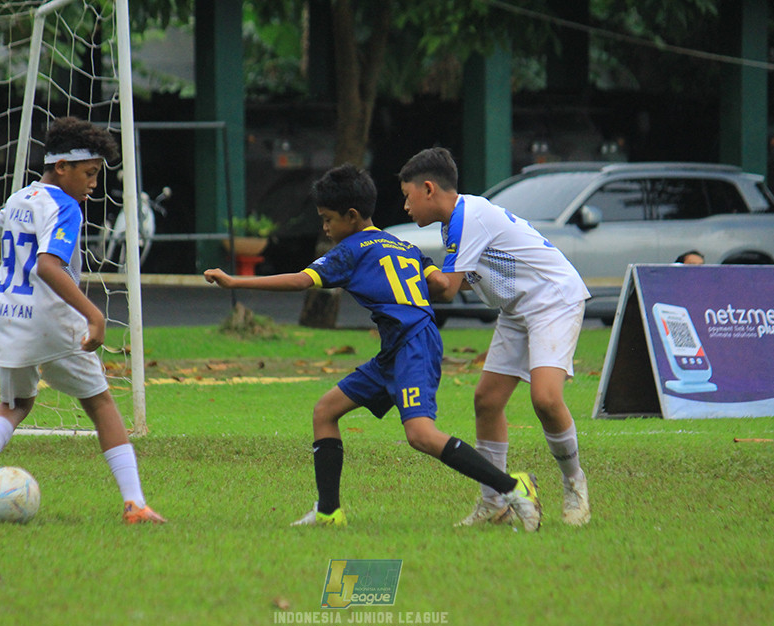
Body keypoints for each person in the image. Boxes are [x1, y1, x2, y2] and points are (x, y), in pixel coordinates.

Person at [204, 163, 542, 531]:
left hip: (412, 343)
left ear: (351, 216)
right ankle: (328, 512)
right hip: (400, 345)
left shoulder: (349, 251)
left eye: (328, 219)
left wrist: (235, 281)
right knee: (325, 411)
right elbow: (440, 284)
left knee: (420, 435)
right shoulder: (402, 245)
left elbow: (302, 281)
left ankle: (514, 487)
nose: (325, 228)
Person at [0, 117, 165, 524]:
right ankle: (134, 503)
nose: (93, 184)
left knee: (15, 403)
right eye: (89, 174)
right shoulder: (66, 207)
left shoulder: (21, 197)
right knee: (101, 403)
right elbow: (49, 266)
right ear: (61, 167)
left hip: (10, 317)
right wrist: (94, 314)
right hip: (55, 319)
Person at [398, 147, 592, 527]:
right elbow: (468, 281)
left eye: (407, 197)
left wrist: (398, 279)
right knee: (487, 401)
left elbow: (448, 289)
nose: (405, 207)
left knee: (546, 399)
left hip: (553, 298)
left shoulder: (469, 218)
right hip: (519, 308)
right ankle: (495, 502)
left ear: (428, 189)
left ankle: (575, 485)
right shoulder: (455, 221)